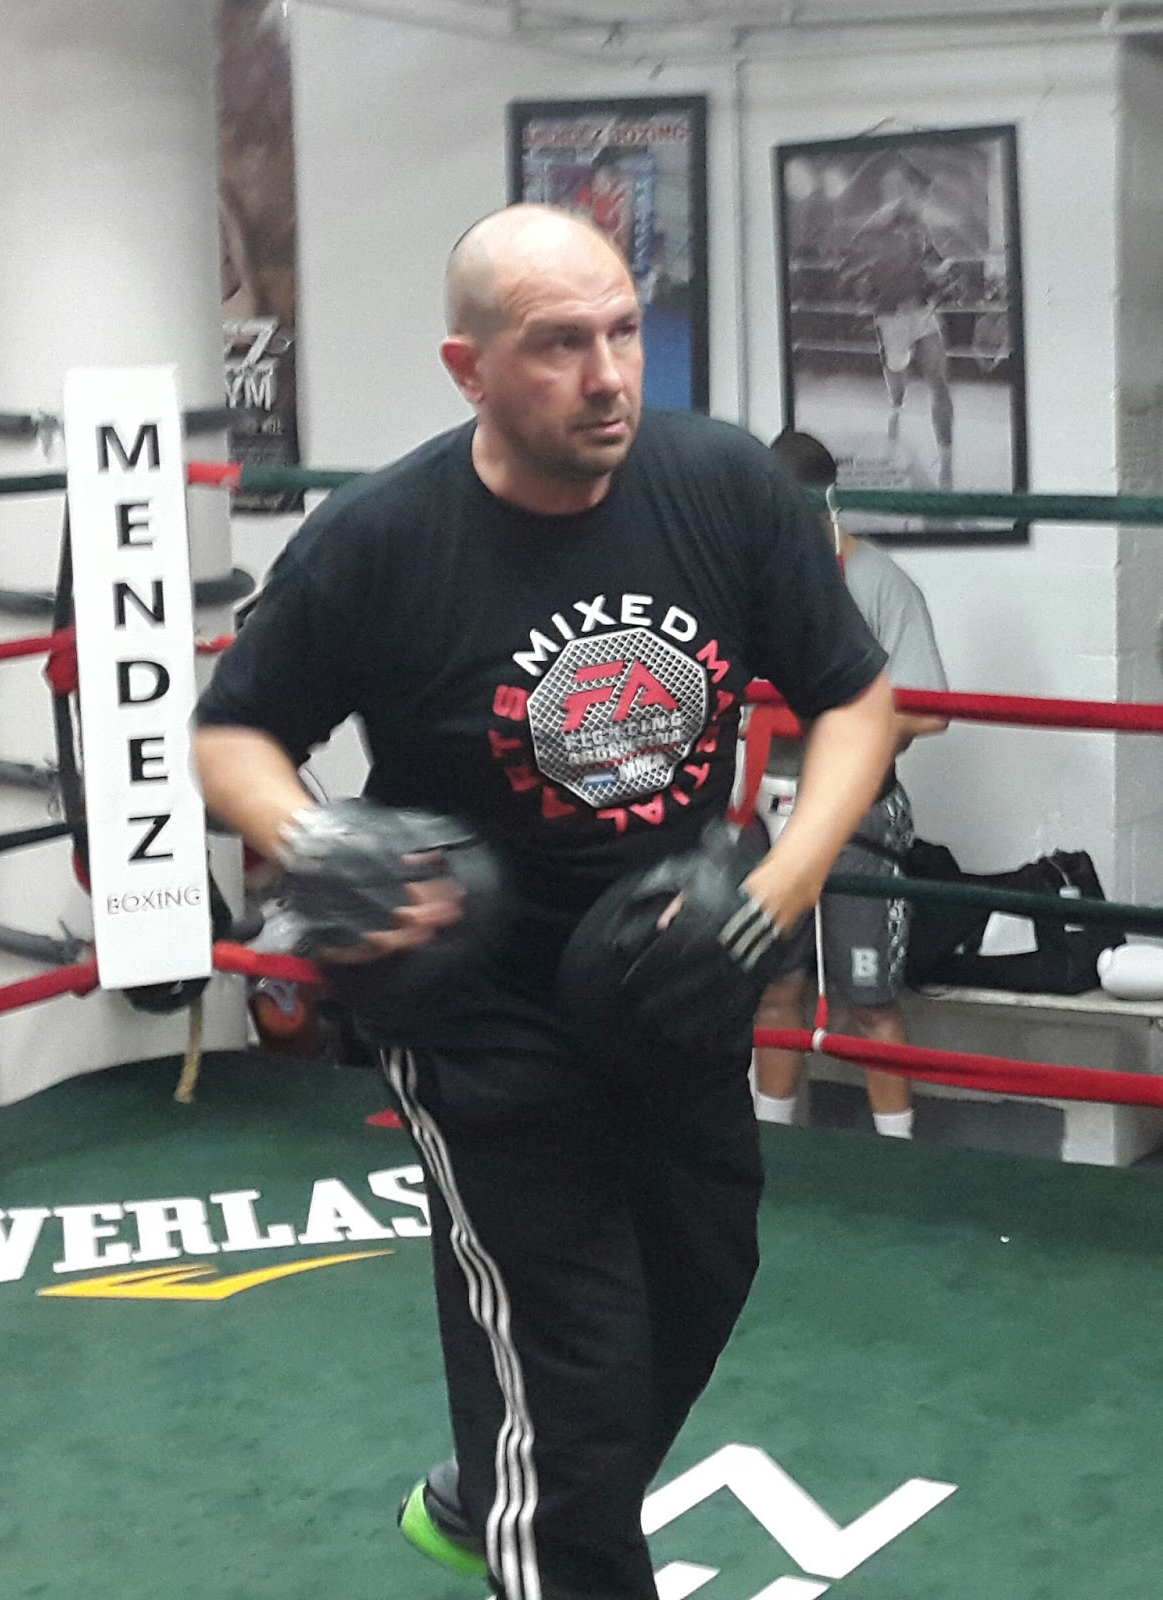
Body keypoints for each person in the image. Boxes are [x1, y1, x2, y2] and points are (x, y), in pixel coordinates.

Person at [192, 203, 898, 1600]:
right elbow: (232, 737)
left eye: (624, 331)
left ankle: (490, 1490)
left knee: (700, 1276)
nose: (608, 375)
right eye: (559, 344)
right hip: (476, 997)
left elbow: (854, 700)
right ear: (468, 370)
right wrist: (314, 841)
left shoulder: (724, 489)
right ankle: (540, 1502)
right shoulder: (382, 538)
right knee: (571, 1370)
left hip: (675, 963)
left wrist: (778, 886)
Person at [749, 428, 949, 1140]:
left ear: (825, 503)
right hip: (769, 809)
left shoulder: (880, 583)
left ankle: (898, 1159)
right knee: (776, 989)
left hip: (857, 813)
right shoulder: (752, 582)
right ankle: (773, 1149)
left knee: (868, 998)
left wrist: (840, 729)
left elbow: (929, 711)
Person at [842, 159, 958, 488]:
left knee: (939, 382)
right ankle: (896, 404)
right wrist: (868, 284)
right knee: (897, 369)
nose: (923, 198)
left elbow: (931, 258)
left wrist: (943, 273)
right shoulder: (877, 226)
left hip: (922, 312)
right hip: (891, 315)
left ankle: (946, 459)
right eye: (919, 191)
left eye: (925, 193)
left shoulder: (919, 224)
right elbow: (852, 265)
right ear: (905, 190)